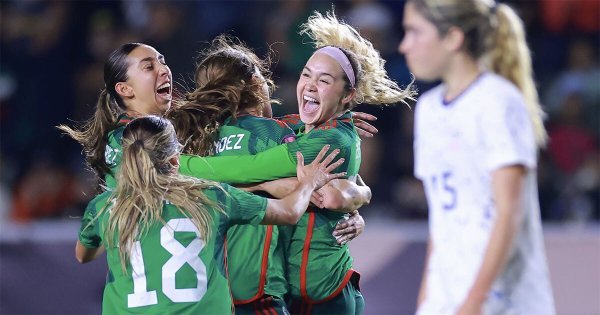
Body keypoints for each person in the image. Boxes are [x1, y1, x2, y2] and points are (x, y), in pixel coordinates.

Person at [169, 35, 372, 315]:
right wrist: (362, 194)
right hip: (274, 293)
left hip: (223, 294)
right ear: (255, 85)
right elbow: (332, 195)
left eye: (324, 80)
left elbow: (331, 195)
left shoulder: (193, 137)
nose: (310, 85)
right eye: (306, 75)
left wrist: (176, 165)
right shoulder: (277, 134)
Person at [75, 115, 346, 314]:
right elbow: (288, 212)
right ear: (175, 161)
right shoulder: (211, 196)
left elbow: (83, 255)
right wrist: (310, 182)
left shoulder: (103, 208)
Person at [398, 1, 555, 314]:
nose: (404, 45)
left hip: (505, 302)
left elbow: (510, 211)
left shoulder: (497, 101)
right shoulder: (428, 110)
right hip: (446, 299)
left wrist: (474, 302)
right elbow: (441, 219)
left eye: (414, 32)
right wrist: (427, 301)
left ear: (453, 38)